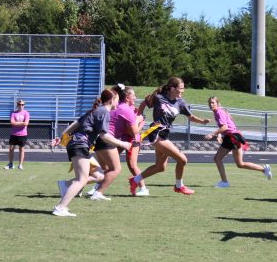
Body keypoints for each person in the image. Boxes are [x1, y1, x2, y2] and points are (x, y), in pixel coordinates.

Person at [51, 89, 131, 217]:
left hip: (77, 144)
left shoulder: (96, 110)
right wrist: (122, 144)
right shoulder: (104, 111)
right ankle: (60, 207)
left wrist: (61, 137)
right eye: (117, 99)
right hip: (80, 145)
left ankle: (65, 187)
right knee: (81, 180)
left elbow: (75, 124)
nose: (118, 101)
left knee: (98, 175)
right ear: (111, 100)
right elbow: (104, 135)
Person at [129, 77, 211, 196]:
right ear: (172, 88)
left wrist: (203, 121)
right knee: (182, 160)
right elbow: (144, 103)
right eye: (181, 88)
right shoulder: (158, 98)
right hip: (156, 134)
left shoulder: (181, 103)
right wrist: (139, 116)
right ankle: (179, 186)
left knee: (160, 167)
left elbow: (191, 117)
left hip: (165, 134)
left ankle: (134, 180)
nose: (183, 91)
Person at [204, 96, 272, 187]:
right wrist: (220, 134)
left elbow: (225, 127)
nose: (211, 104)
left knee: (217, 158)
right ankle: (264, 169)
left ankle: (224, 182)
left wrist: (212, 134)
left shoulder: (219, 112)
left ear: (217, 103)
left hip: (232, 137)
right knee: (240, 164)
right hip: (233, 136)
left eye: (213, 103)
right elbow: (228, 124)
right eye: (210, 103)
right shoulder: (219, 111)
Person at [111, 84, 148, 196]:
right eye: (134, 96)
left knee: (132, 165)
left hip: (132, 139)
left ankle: (143, 188)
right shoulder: (123, 108)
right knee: (109, 163)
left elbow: (136, 129)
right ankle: (97, 186)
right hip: (121, 138)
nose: (135, 98)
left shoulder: (133, 110)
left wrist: (139, 122)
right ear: (127, 98)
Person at [5, 100, 29, 170]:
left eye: (22, 104)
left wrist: (17, 123)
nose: (21, 106)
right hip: (14, 134)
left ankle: (20, 165)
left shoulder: (26, 113)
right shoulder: (13, 113)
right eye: (19, 104)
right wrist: (21, 123)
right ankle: (11, 164)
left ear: (24, 105)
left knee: (21, 149)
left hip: (23, 134)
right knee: (11, 149)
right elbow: (12, 122)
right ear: (17, 105)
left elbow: (26, 123)